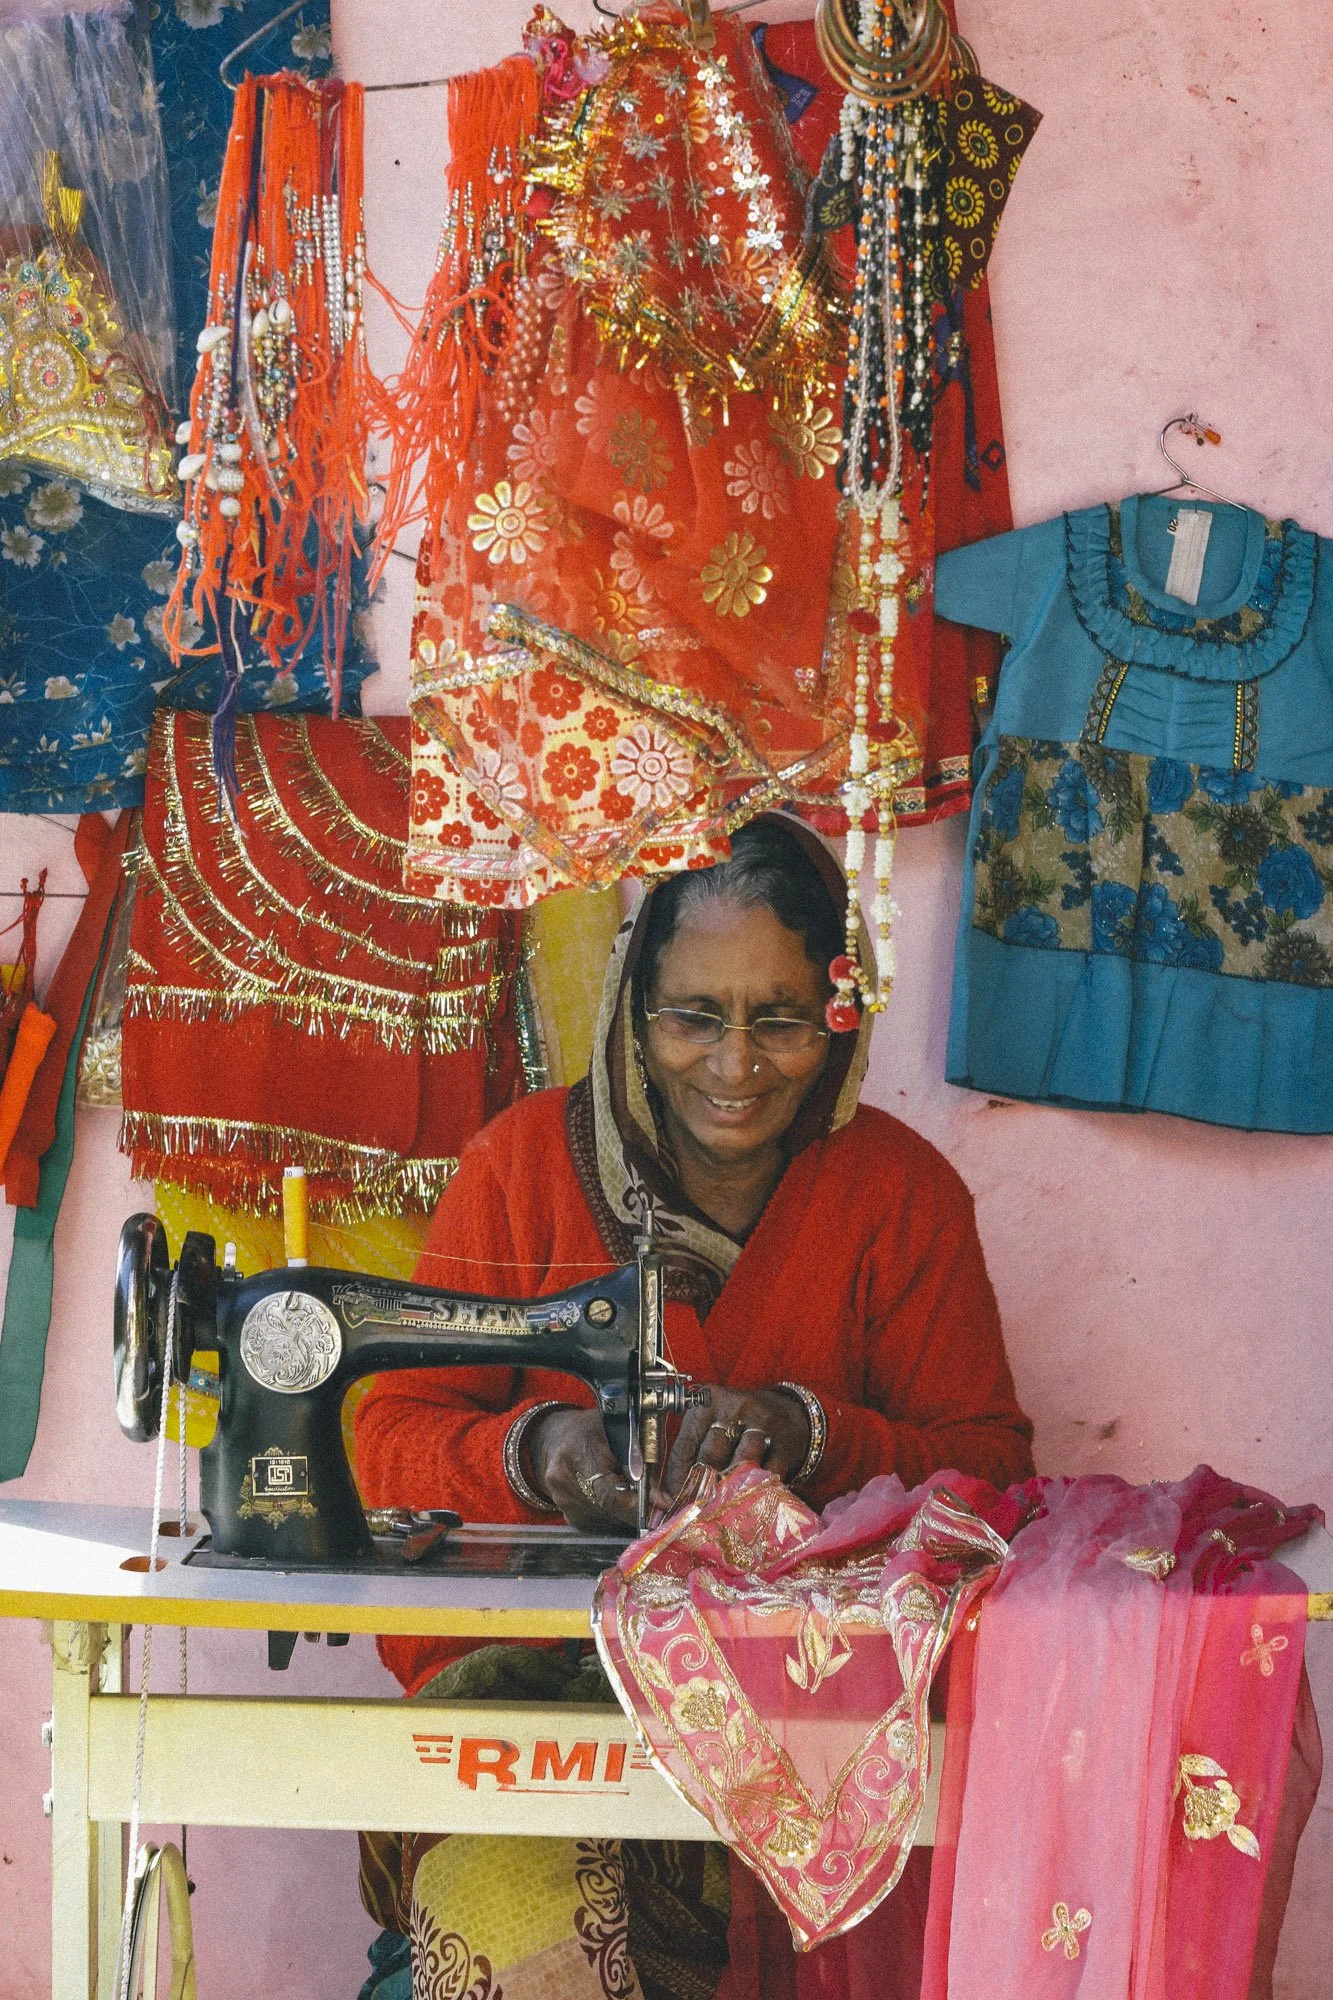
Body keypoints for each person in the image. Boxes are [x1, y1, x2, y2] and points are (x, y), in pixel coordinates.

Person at [353, 814, 1034, 2000]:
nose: (734, 1065)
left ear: (841, 1009)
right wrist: (538, 1451)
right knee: (530, 1926)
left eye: (778, 1017)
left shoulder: (900, 1196)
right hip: (528, 1717)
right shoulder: (518, 1168)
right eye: (691, 1016)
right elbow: (387, 1437)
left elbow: (992, 1478)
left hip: (807, 1747)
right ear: (631, 1001)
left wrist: (809, 1432)